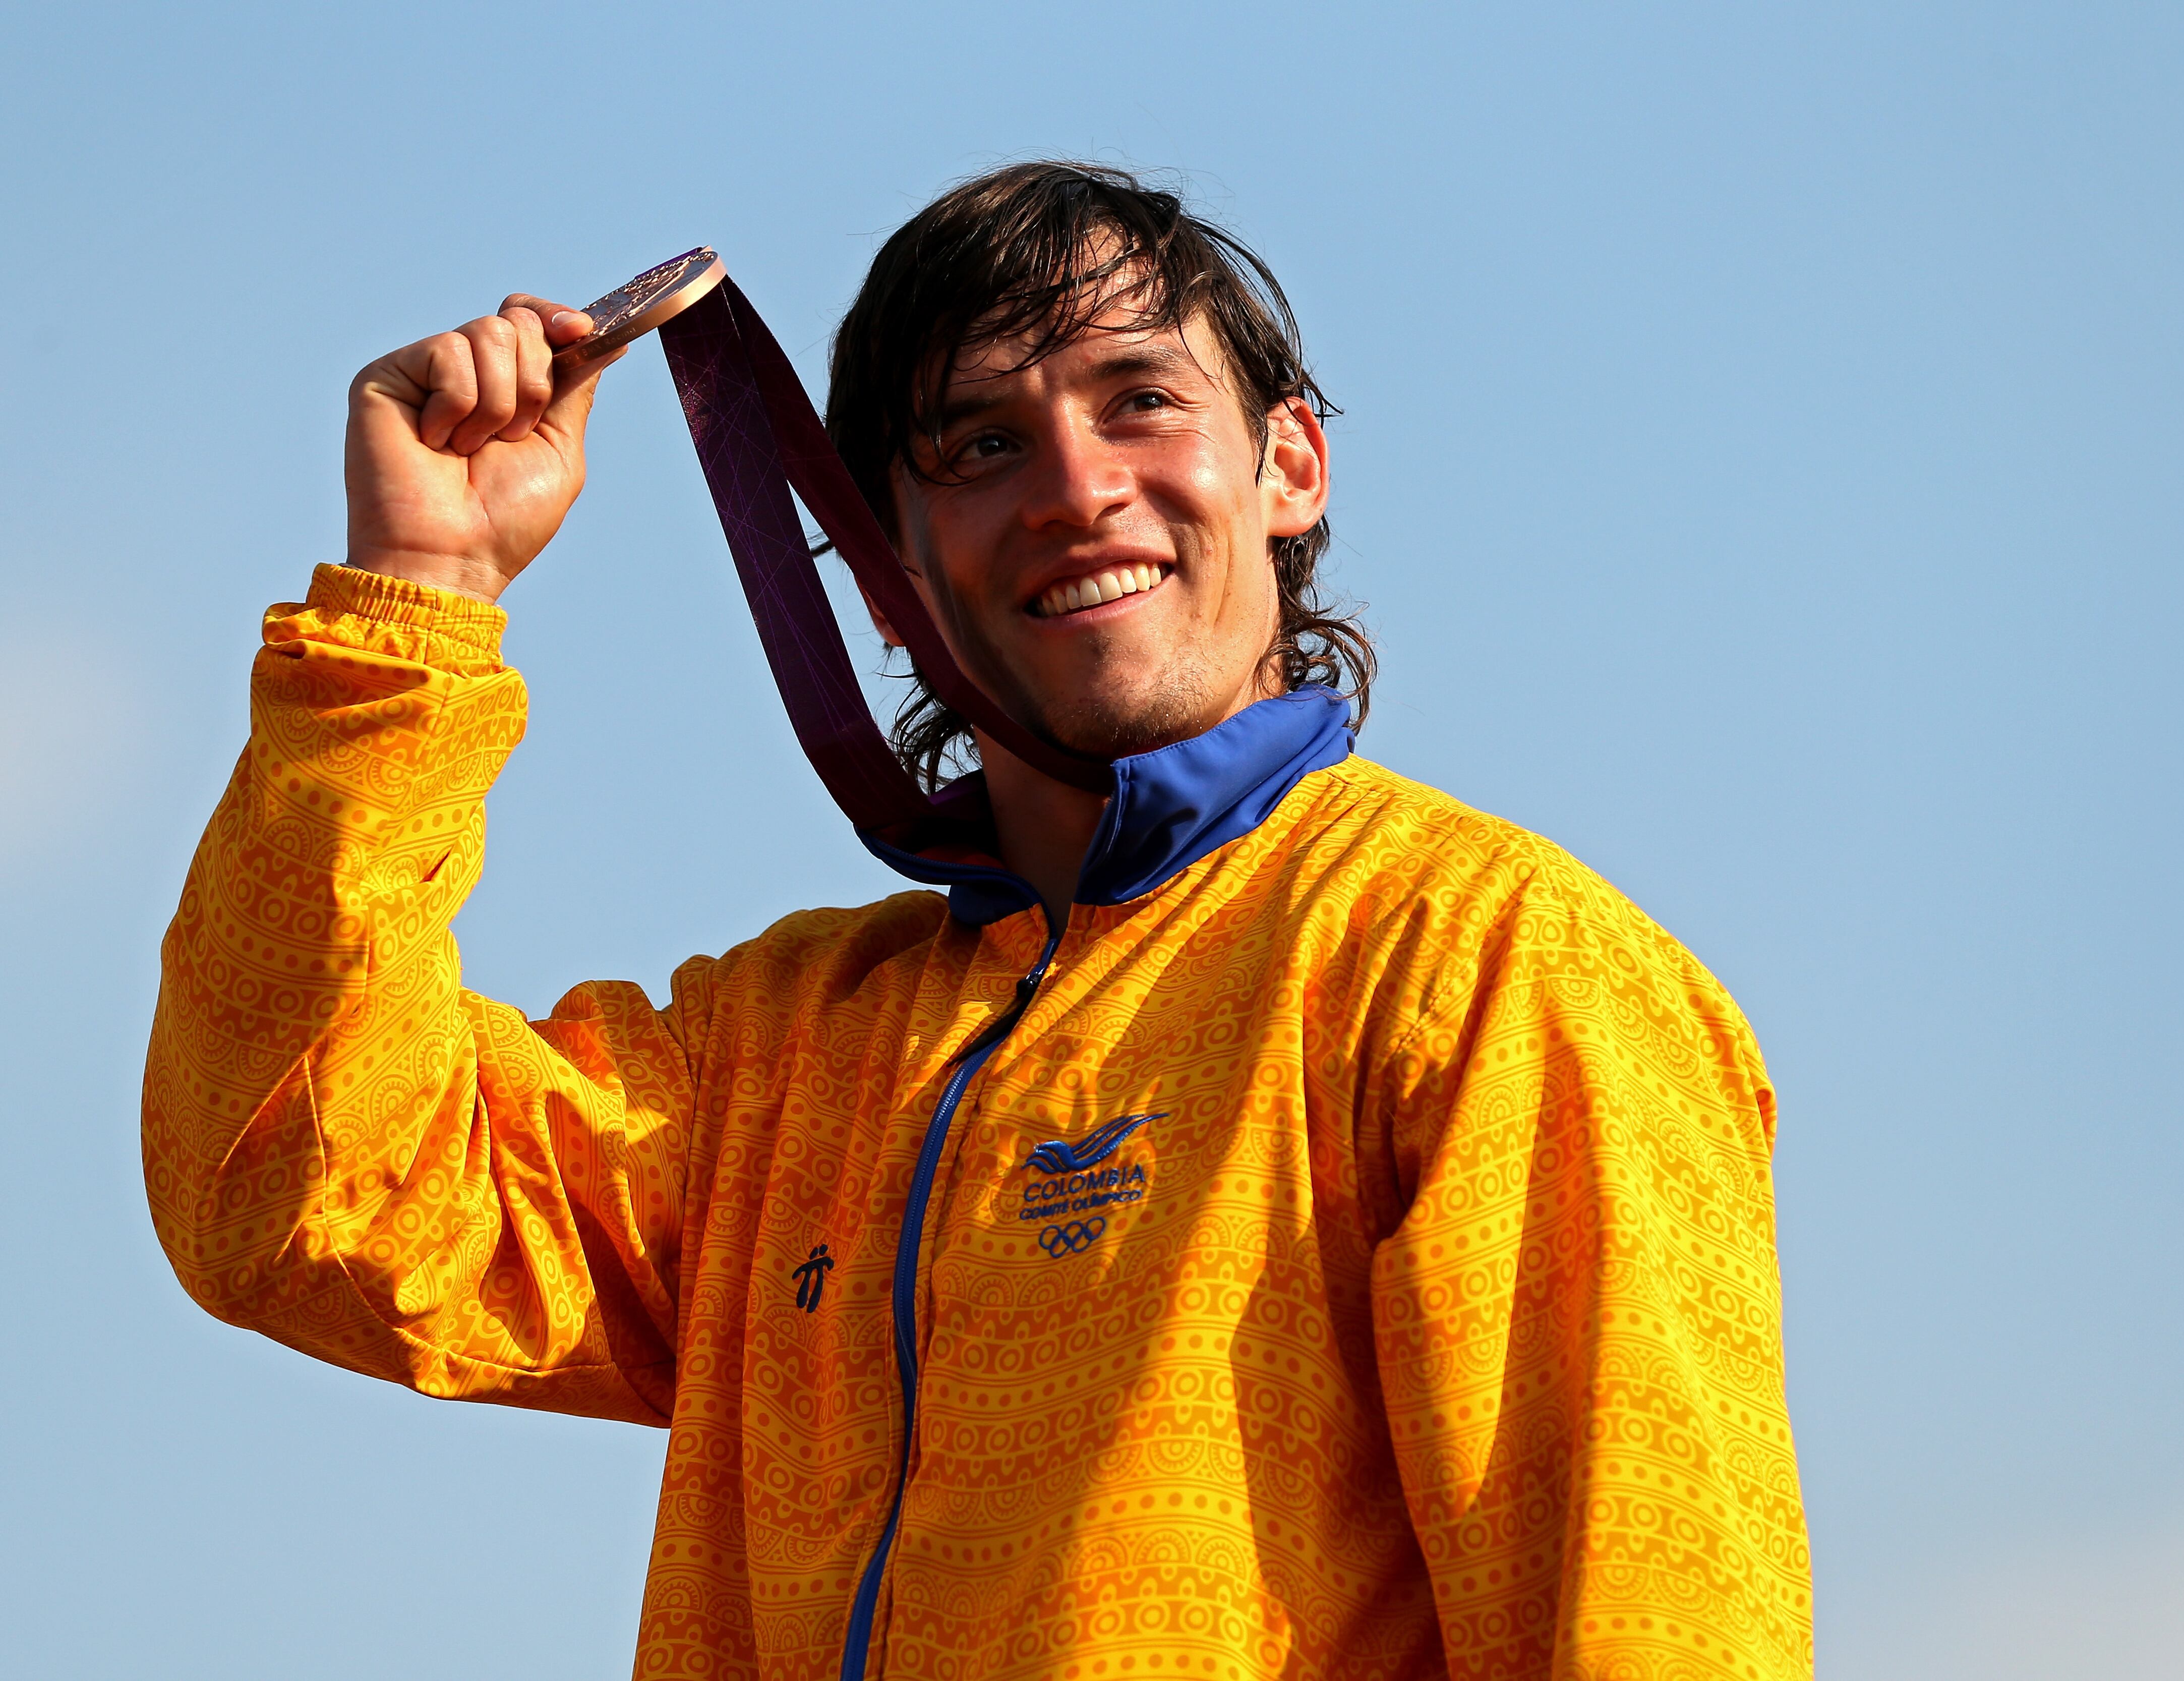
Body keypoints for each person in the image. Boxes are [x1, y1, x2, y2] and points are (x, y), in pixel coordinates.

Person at [143, 162, 1810, 1680]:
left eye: (1141, 402)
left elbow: (1650, 1626)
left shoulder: (1486, 962)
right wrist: (419, 600)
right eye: (982, 443)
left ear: (1288, 463)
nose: (1077, 489)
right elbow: (288, 1190)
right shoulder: (783, 1056)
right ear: (893, 565)